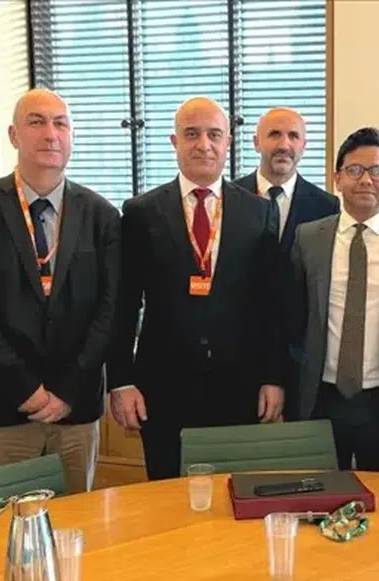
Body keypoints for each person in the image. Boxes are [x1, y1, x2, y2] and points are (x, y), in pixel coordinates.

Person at [0, 89, 120, 493]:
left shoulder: (101, 215)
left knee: (75, 518)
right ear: (13, 135)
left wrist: (68, 390)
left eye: (61, 124)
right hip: (3, 404)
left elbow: (109, 309)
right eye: (37, 122)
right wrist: (25, 388)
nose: (50, 134)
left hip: (75, 408)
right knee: (5, 519)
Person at [108, 97, 284, 480]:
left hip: (239, 384)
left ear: (228, 143)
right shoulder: (141, 212)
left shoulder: (258, 211)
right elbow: (123, 303)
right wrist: (120, 380)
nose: (204, 144)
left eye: (214, 135)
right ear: (174, 142)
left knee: (234, 493)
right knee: (166, 495)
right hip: (162, 386)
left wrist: (273, 377)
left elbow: (270, 304)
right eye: (192, 134)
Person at [288, 127, 379, 471]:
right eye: (354, 170)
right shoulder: (308, 238)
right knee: (320, 492)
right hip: (320, 397)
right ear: (337, 178)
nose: (366, 179)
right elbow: (292, 311)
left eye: (377, 171)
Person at [235, 107, 339, 254]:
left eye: (293, 136)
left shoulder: (326, 207)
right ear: (256, 143)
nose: (284, 145)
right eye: (274, 135)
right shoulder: (229, 198)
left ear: (303, 146)